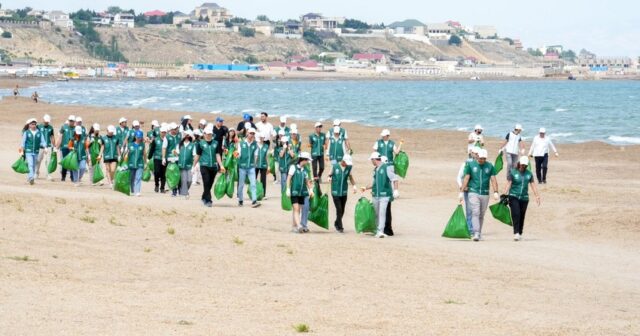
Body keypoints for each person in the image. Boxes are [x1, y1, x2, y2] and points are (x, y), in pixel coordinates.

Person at [461, 149, 500, 241]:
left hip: (485, 193)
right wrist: (461, 191)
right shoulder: (470, 165)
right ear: (477, 156)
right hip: (473, 192)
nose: (481, 160)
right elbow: (466, 178)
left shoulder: (490, 166)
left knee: (481, 214)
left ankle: (479, 232)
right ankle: (476, 233)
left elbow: (493, 179)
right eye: (480, 158)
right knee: (475, 212)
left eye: (483, 158)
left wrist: (495, 192)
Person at [361, 152, 399, 238]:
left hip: (384, 195)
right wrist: (366, 188)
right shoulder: (375, 170)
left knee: (382, 213)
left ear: (375, 159)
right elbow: (374, 183)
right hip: (375, 195)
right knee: (376, 213)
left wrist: (396, 190)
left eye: (372, 160)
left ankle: (380, 231)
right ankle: (377, 230)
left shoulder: (386, 168)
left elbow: (395, 178)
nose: (371, 161)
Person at [503, 156, 541, 241]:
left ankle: (520, 232)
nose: (523, 166)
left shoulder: (529, 174)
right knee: (516, 213)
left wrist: (537, 196)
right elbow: (509, 183)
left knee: (522, 215)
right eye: (522, 164)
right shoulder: (513, 172)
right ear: (519, 163)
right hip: (513, 196)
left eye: (525, 165)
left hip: (524, 198)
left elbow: (533, 185)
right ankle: (516, 232)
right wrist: (504, 193)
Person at [193, 126, 225, 207]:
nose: (209, 135)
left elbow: (218, 155)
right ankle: (208, 200)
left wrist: (221, 165)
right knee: (206, 182)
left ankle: (204, 197)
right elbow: (198, 155)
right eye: (207, 134)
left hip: (213, 166)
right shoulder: (200, 144)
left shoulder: (216, 143)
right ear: (204, 134)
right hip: (204, 165)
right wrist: (193, 166)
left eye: (210, 134)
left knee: (210, 184)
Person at [286, 152, 315, 233]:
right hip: (294, 192)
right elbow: (288, 179)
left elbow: (307, 182)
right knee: (296, 208)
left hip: (302, 193)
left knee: (297, 210)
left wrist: (311, 190)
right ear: (303, 160)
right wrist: (288, 189)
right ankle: (299, 226)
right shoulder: (293, 167)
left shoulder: (305, 169)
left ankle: (294, 226)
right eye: (307, 160)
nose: (308, 162)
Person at [328, 155, 357, 233]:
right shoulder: (335, 166)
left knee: (342, 210)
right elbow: (329, 174)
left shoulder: (349, 167)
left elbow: (350, 177)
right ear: (343, 161)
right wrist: (329, 178)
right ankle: (340, 227)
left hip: (344, 191)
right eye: (346, 163)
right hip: (335, 191)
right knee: (339, 209)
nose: (347, 164)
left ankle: (336, 222)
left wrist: (354, 186)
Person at [236, 128, 261, 208]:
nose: (252, 135)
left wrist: (254, 164)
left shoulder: (255, 144)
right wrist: (237, 155)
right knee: (241, 185)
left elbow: (256, 155)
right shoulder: (241, 143)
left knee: (253, 184)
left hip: (251, 167)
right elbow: (238, 153)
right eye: (251, 133)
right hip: (242, 167)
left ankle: (254, 200)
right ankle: (240, 200)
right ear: (247, 133)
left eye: (253, 133)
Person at [457, 147, 480, 234]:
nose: (477, 155)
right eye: (475, 153)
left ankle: (475, 228)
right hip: (468, 190)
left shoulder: (482, 164)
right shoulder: (466, 164)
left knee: (477, 210)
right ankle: (470, 229)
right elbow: (459, 177)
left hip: (478, 190)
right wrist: (461, 187)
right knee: (469, 210)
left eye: (478, 154)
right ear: (472, 153)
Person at [19, 118, 46, 185]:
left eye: (34, 124)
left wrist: (45, 147)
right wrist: (21, 151)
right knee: (30, 164)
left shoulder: (39, 133)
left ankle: (30, 178)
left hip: (36, 151)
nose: (33, 125)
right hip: (28, 151)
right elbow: (23, 142)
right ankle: (31, 178)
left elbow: (43, 141)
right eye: (32, 124)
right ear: (29, 125)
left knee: (33, 165)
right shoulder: (26, 132)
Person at [175, 131, 197, 199]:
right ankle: (185, 194)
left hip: (189, 165)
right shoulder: (179, 145)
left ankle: (184, 191)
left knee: (189, 180)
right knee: (184, 180)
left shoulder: (192, 145)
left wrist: (194, 166)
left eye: (187, 135)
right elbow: (177, 154)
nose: (186, 137)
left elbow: (194, 155)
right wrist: (174, 153)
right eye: (185, 135)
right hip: (181, 165)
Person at [127, 130, 146, 197]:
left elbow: (144, 154)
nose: (139, 138)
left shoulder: (142, 145)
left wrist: (146, 163)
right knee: (131, 178)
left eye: (140, 137)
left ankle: (137, 191)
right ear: (135, 137)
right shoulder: (130, 145)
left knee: (138, 178)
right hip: (131, 164)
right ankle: (132, 190)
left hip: (140, 164)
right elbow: (127, 155)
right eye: (137, 137)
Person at [36, 114, 55, 181]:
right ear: (43, 120)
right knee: (38, 160)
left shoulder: (51, 128)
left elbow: (52, 137)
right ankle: (36, 173)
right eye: (45, 121)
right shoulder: (38, 127)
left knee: (48, 161)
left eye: (47, 122)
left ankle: (48, 174)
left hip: (48, 146)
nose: (46, 123)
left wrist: (54, 146)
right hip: (40, 146)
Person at [57, 115, 76, 182]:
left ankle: (72, 177)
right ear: (68, 121)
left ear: (74, 121)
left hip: (72, 148)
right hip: (64, 147)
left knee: (71, 162)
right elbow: (60, 137)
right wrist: (57, 147)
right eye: (70, 121)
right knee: (65, 162)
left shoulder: (76, 128)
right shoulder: (64, 127)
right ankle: (63, 176)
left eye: (72, 121)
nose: (71, 122)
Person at [149, 126, 168, 193]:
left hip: (165, 159)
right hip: (157, 158)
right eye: (162, 132)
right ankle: (156, 185)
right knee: (156, 172)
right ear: (160, 132)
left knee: (163, 174)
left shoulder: (167, 140)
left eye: (165, 132)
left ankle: (162, 188)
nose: (163, 133)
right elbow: (152, 149)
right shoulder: (156, 140)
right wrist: (149, 157)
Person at [164, 123, 180, 196]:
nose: (175, 130)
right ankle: (174, 190)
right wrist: (163, 158)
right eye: (173, 129)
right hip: (170, 158)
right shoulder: (167, 137)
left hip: (179, 158)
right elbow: (164, 148)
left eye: (176, 129)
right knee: (172, 175)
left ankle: (180, 188)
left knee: (179, 174)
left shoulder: (180, 135)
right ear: (171, 129)